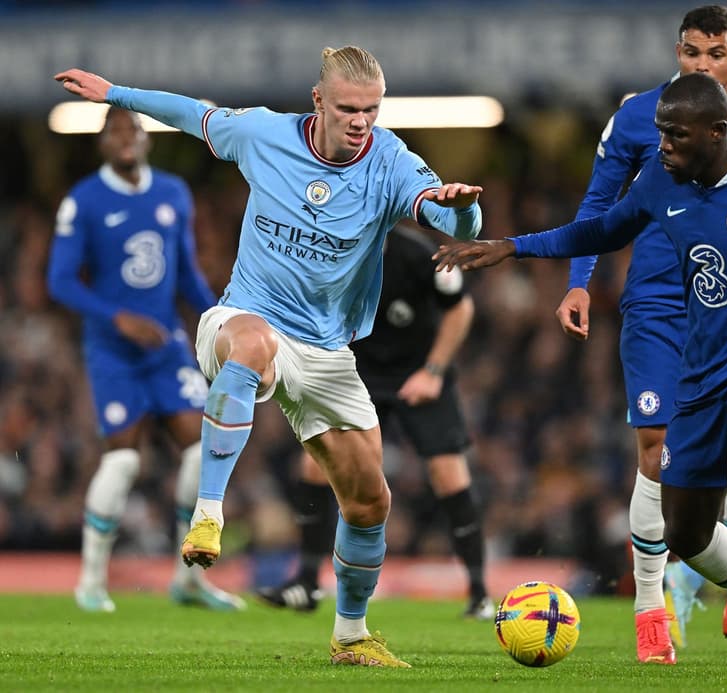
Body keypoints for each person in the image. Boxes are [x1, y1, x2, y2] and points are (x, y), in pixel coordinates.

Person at [55, 45, 482, 668]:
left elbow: (457, 227)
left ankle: (352, 634)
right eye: (347, 109)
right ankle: (207, 515)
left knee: (370, 503)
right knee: (252, 344)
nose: (360, 120)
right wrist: (116, 92)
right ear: (319, 102)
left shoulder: (391, 161)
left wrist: (464, 206)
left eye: (370, 109)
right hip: (244, 320)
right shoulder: (263, 134)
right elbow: (190, 113)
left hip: (328, 351)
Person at [434, 72, 727, 685]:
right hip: (701, 369)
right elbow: (602, 228)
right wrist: (513, 247)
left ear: (716, 133)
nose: (663, 147)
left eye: (676, 136)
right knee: (686, 530)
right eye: (660, 134)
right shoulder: (663, 178)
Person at [554, 5, 727, 663]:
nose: (702, 65)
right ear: (678, 51)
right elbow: (600, 204)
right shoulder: (638, 114)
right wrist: (580, 279)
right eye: (691, 52)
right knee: (656, 449)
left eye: (715, 53)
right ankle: (650, 608)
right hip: (660, 302)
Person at [46, 107, 245, 613]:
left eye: (132, 128)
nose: (125, 137)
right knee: (123, 461)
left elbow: (184, 274)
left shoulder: (173, 193)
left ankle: (190, 580)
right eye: (114, 131)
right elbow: (61, 280)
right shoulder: (84, 200)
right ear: (102, 145)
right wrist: (118, 319)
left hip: (165, 346)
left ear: (145, 137)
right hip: (113, 350)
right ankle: (91, 582)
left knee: (203, 450)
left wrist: (222, 319)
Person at [256, 223, 493, 619]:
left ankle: (480, 593)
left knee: (447, 471)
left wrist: (433, 371)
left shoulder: (423, 256)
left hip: (419, 372)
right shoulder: (329, 255)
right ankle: (308, 583)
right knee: (315, 462)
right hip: (358, 373)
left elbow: (460, 308)